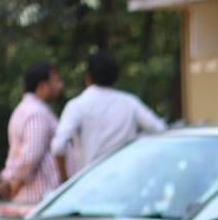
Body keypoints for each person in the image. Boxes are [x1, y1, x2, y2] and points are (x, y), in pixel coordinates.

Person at [50, 49, 164, 180]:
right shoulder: (130, 102)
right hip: (127, 179)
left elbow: (58, 146)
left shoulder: (77, 105)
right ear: (115, 77)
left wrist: (65, 180)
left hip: (90, 181)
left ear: (88, 77)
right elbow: (159, 129)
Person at [0, 61, 64, 204]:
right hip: (39, 196)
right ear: (42, 86)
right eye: (56, 81)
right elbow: (31, 154)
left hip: (33, 196)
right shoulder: (36, 113)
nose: (60, 86)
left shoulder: (26, 109)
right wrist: (15, 183)